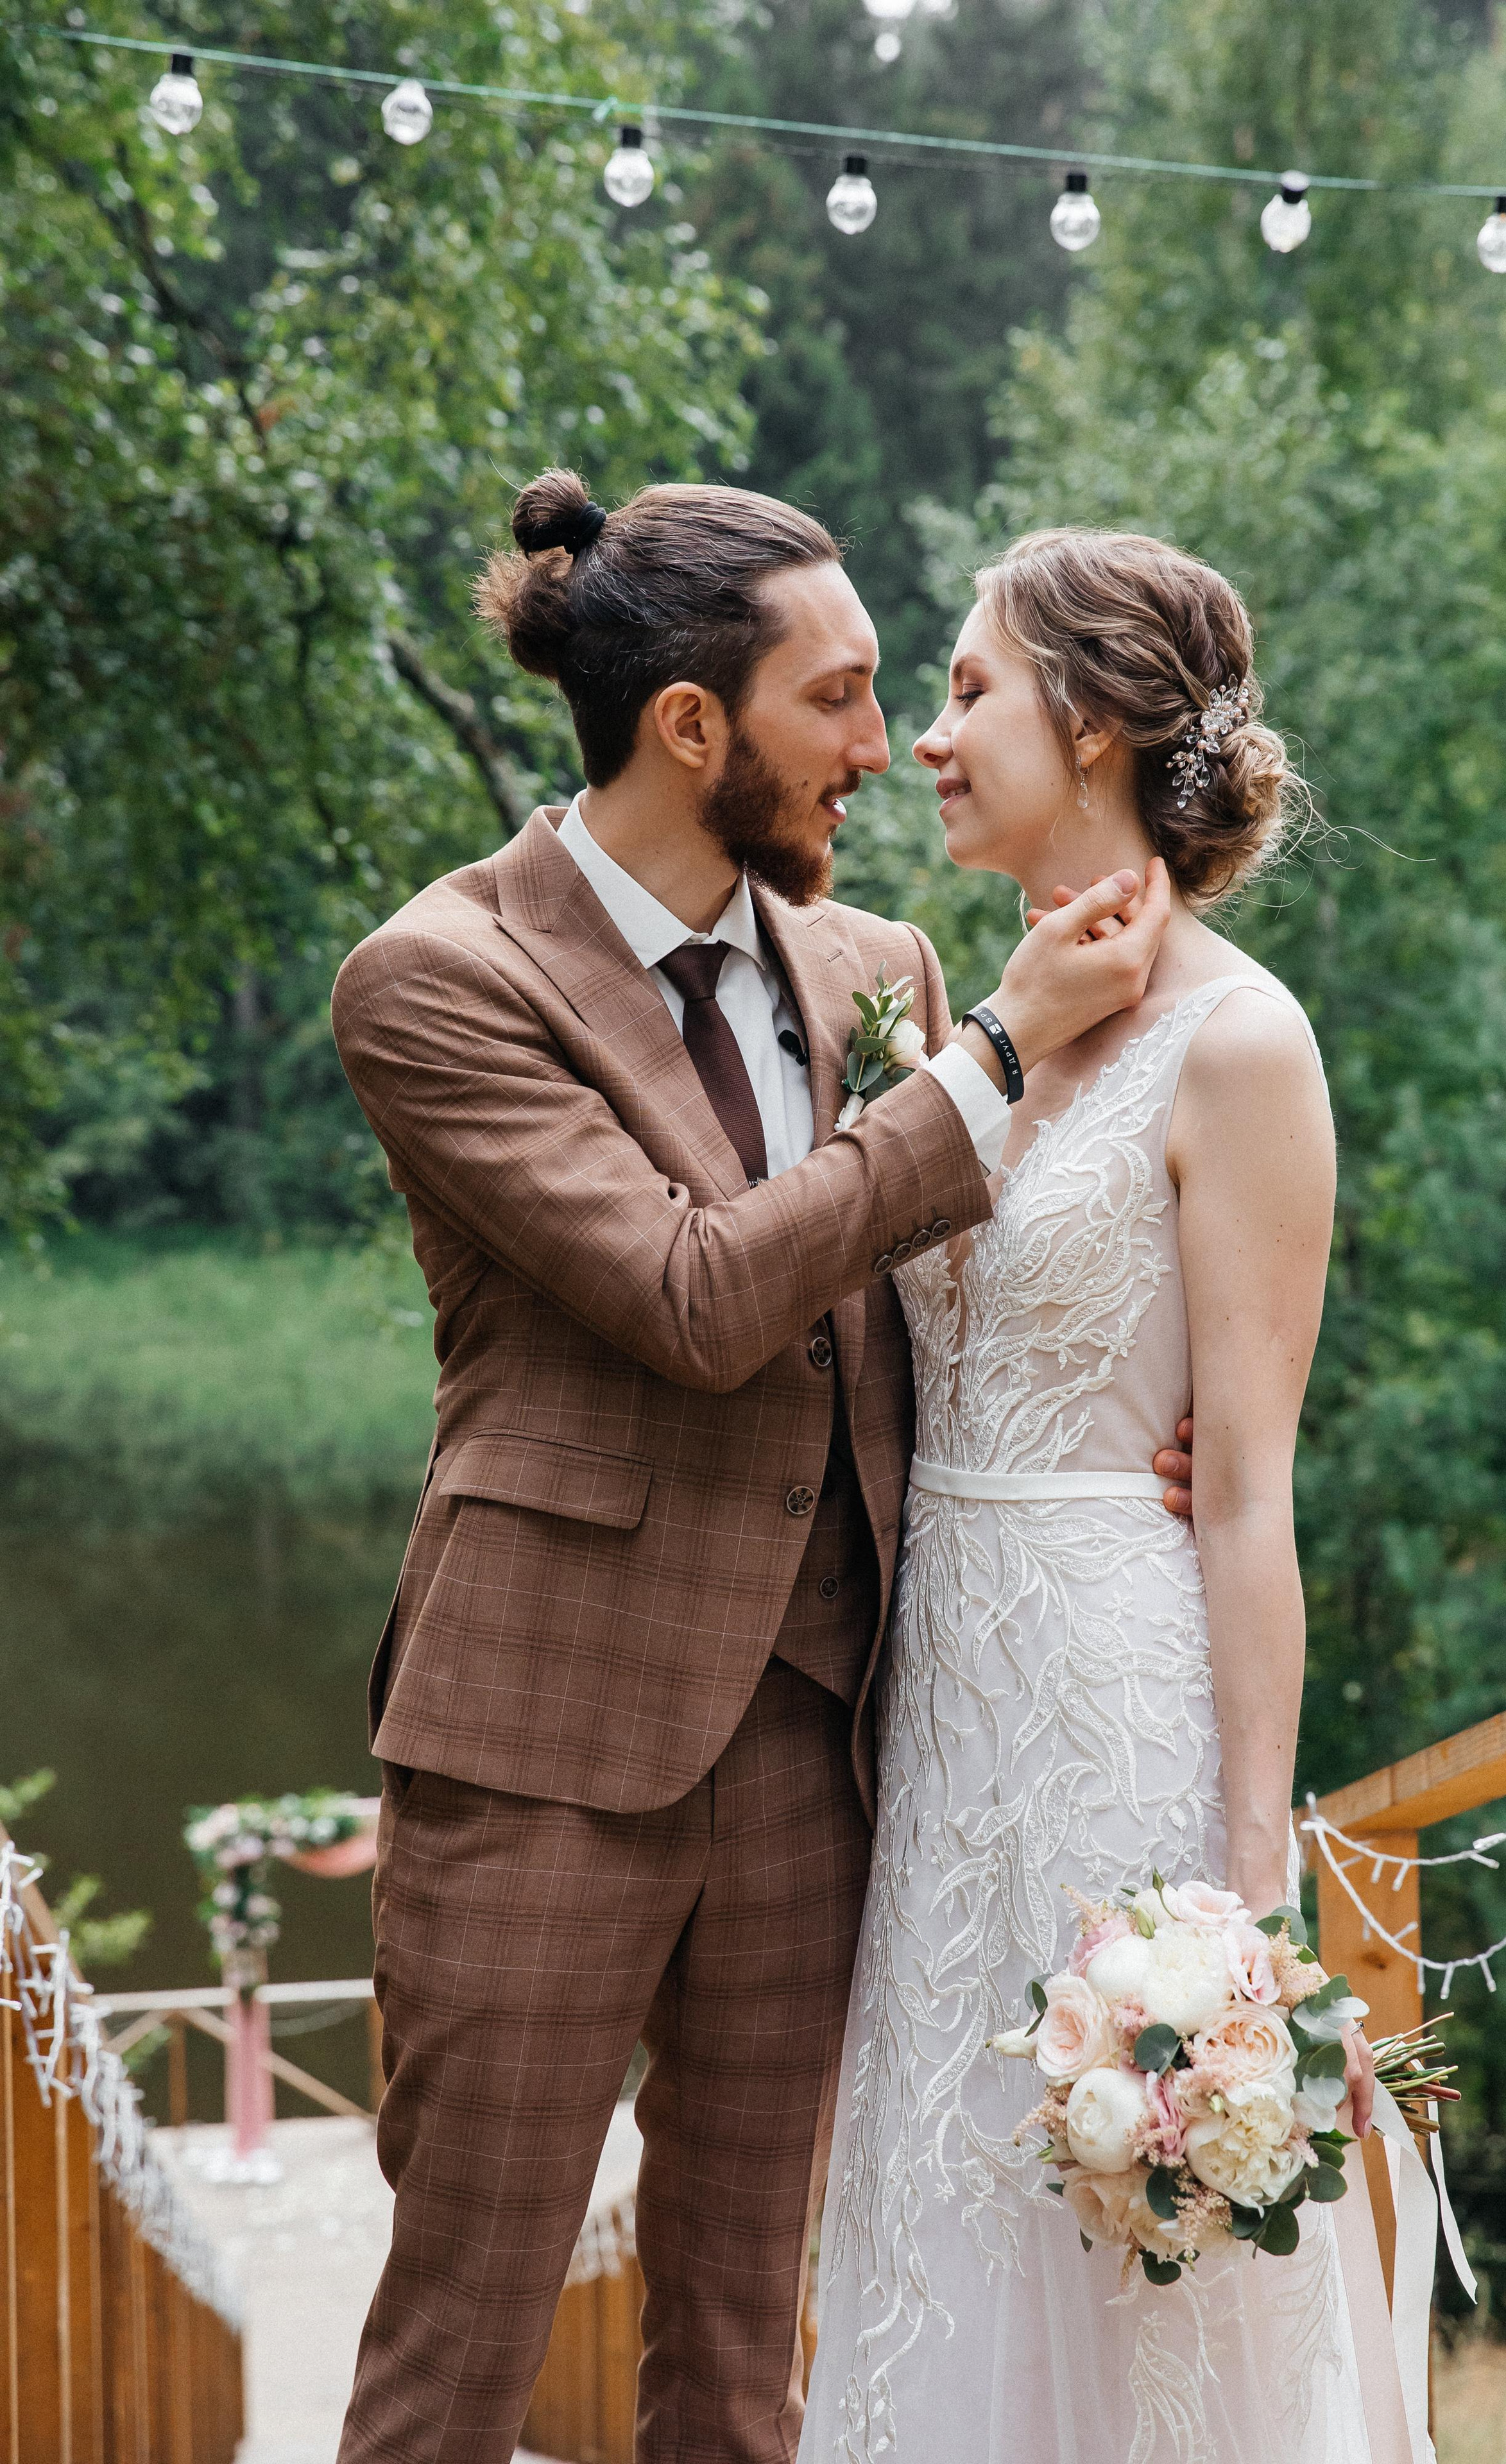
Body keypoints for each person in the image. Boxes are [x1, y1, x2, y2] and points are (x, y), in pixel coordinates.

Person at [328, 473, 1194, 2464]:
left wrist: (1155, 1409)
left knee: (742, 2366)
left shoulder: (868, 968)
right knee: (456, 2357)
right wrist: (982, 1060)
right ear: (692, 726)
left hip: (818, 1750)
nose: (885, 749)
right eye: (843, 697)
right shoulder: (441, 980)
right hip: (543, 1747)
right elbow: (700, 1296)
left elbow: (958, 1281)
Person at [799, 527, 1381, 2463]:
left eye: (968, 692)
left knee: (1136, 2292)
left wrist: (1250, 1908)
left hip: (1110, 1727)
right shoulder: (957, 1024)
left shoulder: (1243, 1043)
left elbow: (1247, 1496)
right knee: (933, 2245)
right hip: (933, 1741)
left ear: (1102, 721)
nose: (927, 743)